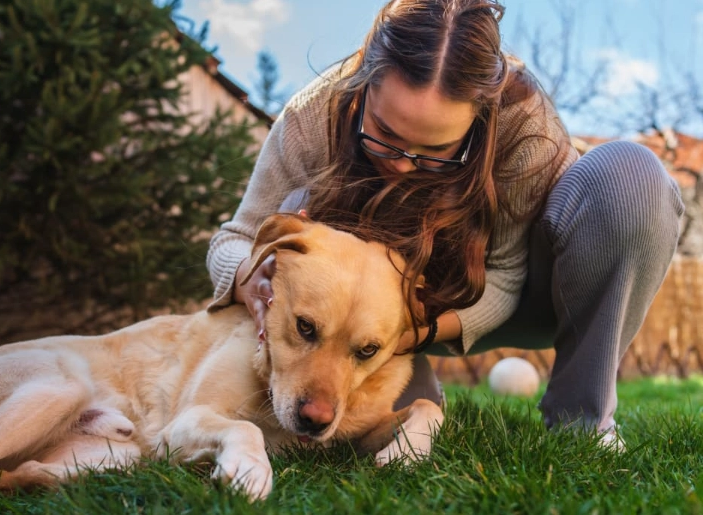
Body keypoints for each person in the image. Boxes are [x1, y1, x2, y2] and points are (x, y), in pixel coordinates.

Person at [205, 0, 684, 448]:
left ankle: (584, 422)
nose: (403, 166)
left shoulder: (523, 121)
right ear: (364, 84)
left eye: (436, 153)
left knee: (631, 180)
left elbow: (506, 280)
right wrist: (253, 277)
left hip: (517, 298)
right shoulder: (313, 115)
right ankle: (404, 398)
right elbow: (235, 240)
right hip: (368, 320)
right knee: (300, 205)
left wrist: (403, 334)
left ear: (480, 115)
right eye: (386, 138)